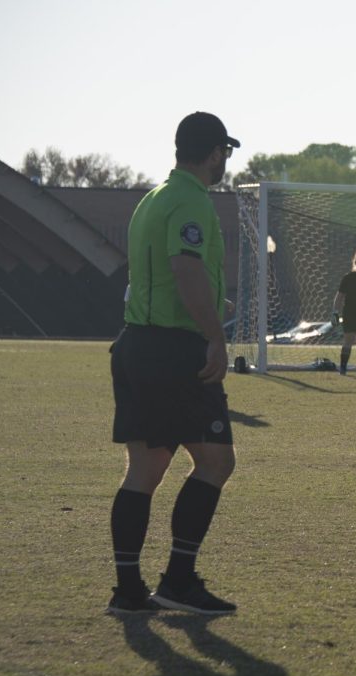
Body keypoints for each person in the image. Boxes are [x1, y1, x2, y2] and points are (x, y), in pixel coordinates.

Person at [106, 111, 241, 616]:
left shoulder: (152, 199)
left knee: (143, 468)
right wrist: (214, 336)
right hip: (174, 350)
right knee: (216, 462)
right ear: (213, 153)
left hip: (136, 343)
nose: (225, 160)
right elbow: (184, 268)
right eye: (224, 151)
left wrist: (209, 306)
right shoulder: (191, 201)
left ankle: (128, 591)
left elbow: (166, 278)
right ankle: (178, 582)